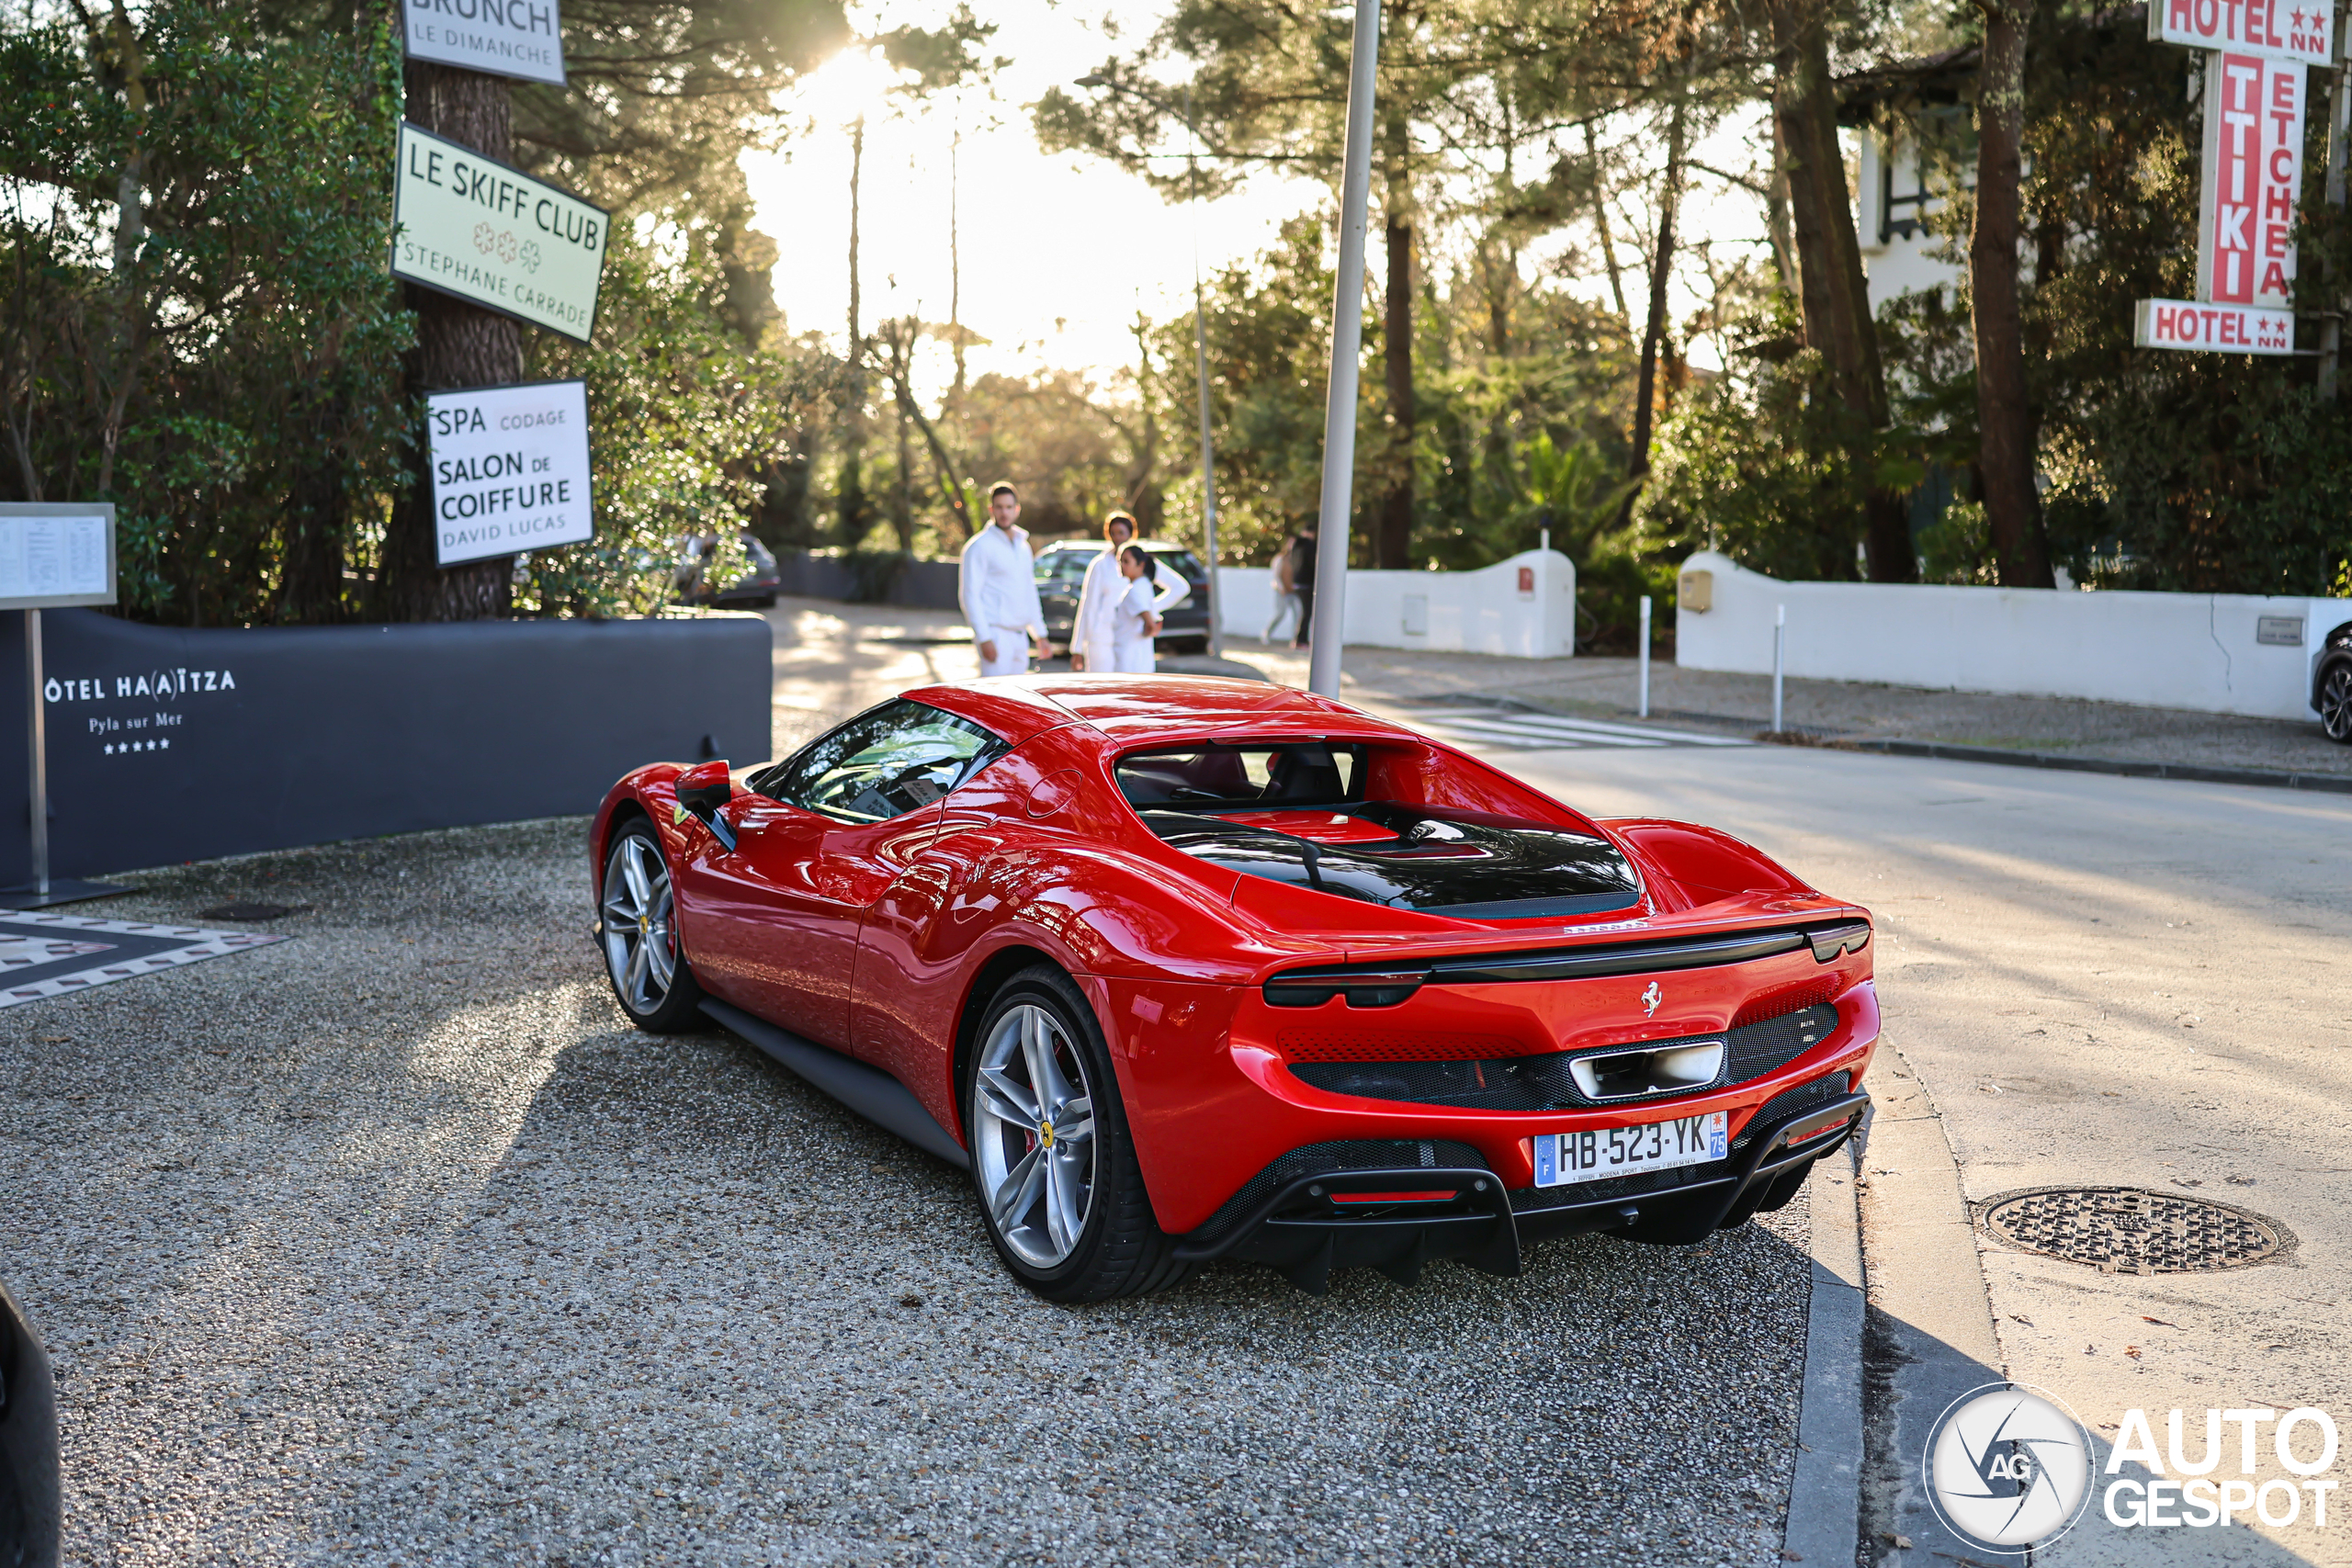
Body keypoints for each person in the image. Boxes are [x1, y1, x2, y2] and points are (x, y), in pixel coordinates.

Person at [1072, 510, 1188, 672]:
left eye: (1121, 533)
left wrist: (1150, 608)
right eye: (1113, 533)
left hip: (1132, 640)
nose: (1117, 537)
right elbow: (1088, 606)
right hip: (1102, 640)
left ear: (1131, 534)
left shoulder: (1143, 562)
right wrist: (1077, 648)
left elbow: (1180, 588)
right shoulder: (1100, 564)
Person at [957, 482, 1048, 678]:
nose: (1004, 512)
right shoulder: (979, 547)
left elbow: (1029, 591)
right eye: (999, 507)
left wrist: (1040, 634)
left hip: (1020, 637)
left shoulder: (1023, 547)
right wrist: (984, 638)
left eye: (1008, 507)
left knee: (1016, 701)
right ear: (991, 509)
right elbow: (969, 595)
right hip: (996, 635)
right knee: (992, 704)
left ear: (1017, 510)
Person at [1108, 543, 1176, 672]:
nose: (1121, 565)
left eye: (1126, 561)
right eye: (1120, 561)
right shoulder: (1144, 585)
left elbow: (1151, 625)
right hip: (1139, 655)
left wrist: (1148, 631)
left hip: (1129, 658)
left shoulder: (1135, 590)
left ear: (1141, 565)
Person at [1263, 535, 1299, 644]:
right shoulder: (1280, 559)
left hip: (1294, 591)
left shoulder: (1296, 558)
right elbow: (1276, 576)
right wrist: (1281, 588)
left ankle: (1296, 639)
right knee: (1280, 614)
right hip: (1282, 592)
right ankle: (1266, 634)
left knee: (1299, 615)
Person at [1289, 524, 1318, 650]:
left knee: (1303, 612)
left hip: (1297, 582)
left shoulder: (1296, 545)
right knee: (1307, 613)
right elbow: (1312, 564)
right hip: (1307, 583)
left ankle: (1299, 639)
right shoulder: (1309, 545)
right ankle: (1301, 640)